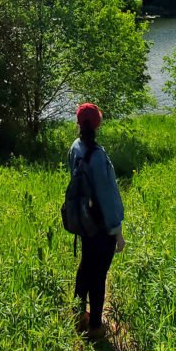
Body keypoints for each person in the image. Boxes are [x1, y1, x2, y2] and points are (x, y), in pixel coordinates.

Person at [69, 102, 125, 338]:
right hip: (101, 225)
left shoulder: (75, 148)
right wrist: (118, 232)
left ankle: (78, 315)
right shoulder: (98, 156)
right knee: (98, 274)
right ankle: (95, 327)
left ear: (78, 124)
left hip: (84, 221)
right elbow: (108, 196)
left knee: (85, 266)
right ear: (98, 123)